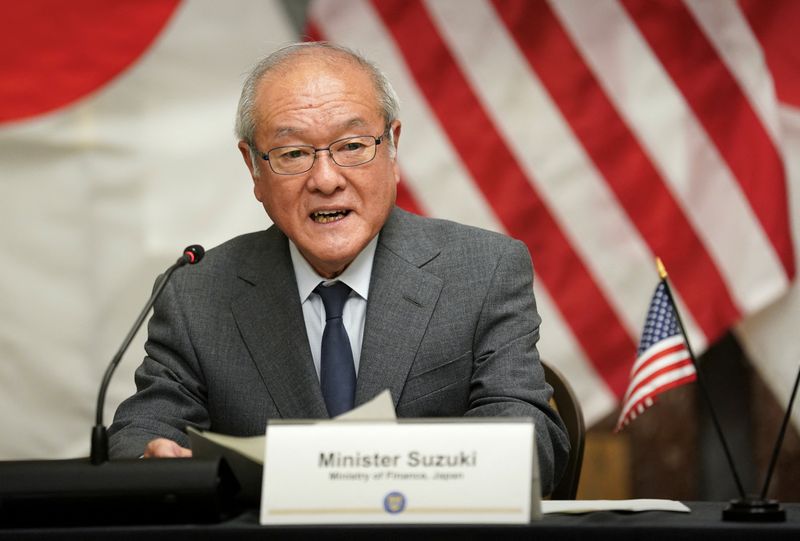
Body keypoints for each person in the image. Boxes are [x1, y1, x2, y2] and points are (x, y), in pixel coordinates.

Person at [108, 42, 570, 494]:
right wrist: (155, 463)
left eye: (351, 146)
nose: (326, 179)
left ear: (393, 148)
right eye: (293, 154)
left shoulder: (483, 271)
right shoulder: (197, 292)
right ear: (253, 168)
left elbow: (527, 434)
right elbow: (139, 432)